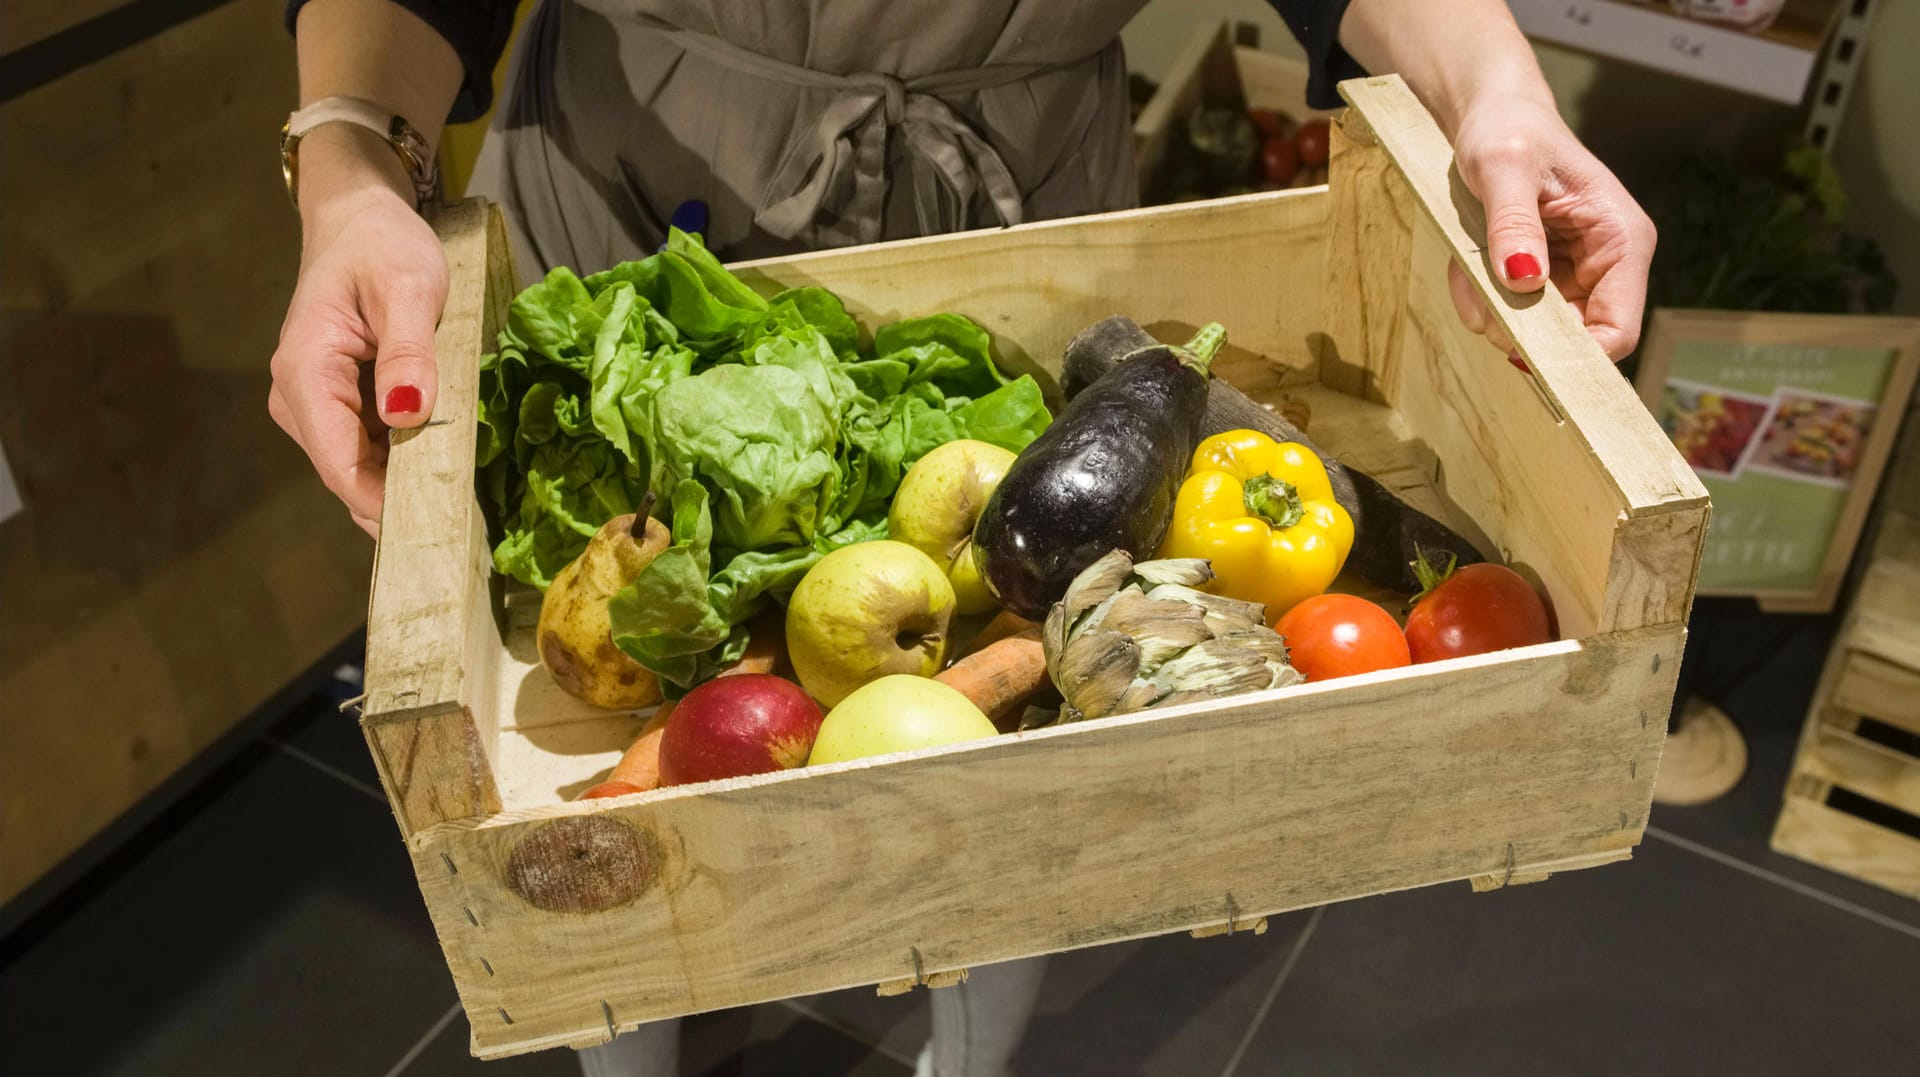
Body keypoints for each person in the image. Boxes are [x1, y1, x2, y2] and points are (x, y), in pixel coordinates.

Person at [271, 2, 1656, 1073]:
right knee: (606, 791)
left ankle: (976, 1050)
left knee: (1029, 741)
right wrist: (346, 163)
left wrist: (1497, 87)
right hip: (635, 182)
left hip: (1027, 193)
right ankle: (621, 1030)